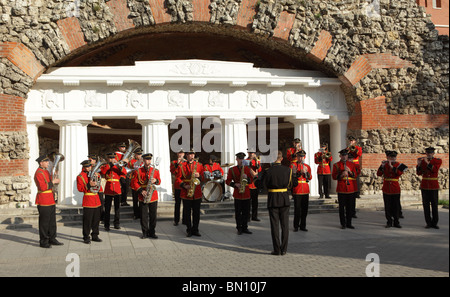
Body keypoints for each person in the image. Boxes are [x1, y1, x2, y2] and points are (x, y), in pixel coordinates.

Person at [258, 151, 297, 255]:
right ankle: (284, 249)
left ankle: (277, 249)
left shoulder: (268, 171)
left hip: (273, 199)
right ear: (281, 159)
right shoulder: (288, 170)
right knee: (285, 226)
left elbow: (261, 185)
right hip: (284, 198)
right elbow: (294, 183)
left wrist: (255, 177)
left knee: (274, 226)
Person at [34, 155, 63, 248]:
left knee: (52, 222)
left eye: (48, 161)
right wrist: (53, 182)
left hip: (50, 199)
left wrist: (54, 176)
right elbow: (43, 187)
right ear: (41, 163)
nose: (48, 163)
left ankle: (52, 238)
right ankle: (43, 241)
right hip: (43, 200)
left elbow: (50, 182)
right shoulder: (38, 173)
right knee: (44, 223)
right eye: (46, 162)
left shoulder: (46, 171)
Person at [175, 149, 205, 237]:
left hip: (197, 191)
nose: (191, 156)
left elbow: (203, 177)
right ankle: (189, 229)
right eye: (189, 154)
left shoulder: (199, 165)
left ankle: (195, 229)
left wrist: (199, 176)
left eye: (193, 154)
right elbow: (177, 179)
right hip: (186, 191)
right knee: (187, 213)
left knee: (196, 213)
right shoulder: (181, 165)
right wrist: (184, 185)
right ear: (186, 156)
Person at [131, 153, 161, 239]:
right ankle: (144, 232)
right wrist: (141, 190)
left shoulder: (155, 170)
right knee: (143, 216)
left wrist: (155, 180)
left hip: (153, 195)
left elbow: (159, 182)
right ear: (143, 160)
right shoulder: (138, 171)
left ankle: (152, 232)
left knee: (153, 215)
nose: (148, 161)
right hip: (142, 195)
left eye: (149, 160)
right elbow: (134, 183)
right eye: (146, 160)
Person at [376, 151, 407, 228]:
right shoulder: (384, 165)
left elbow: (399, 173)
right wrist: (382, 166)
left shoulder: (399, 165)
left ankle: (396, 222)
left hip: (395, 188)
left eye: (394, 157)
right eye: (391, 157)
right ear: (387, 157)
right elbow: (378, 174)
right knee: (387, 206)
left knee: (396, 206)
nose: (392, 158)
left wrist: (391, 167)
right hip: (386, 188)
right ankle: (389, 222)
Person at [226, 152, 254, 235]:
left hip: (246, 193)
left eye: (242, 159)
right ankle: (239, 228)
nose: (241, 160)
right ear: (236, 159)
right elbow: (227, 181)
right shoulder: (232, 169)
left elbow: (252, 180)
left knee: (246, 212)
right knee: (238, 212)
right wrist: (235, 184)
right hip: (237, 194)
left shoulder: (247, 169)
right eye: (240, 159)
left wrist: (247, 178)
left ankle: (245, 227)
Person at [100, 152, 128, 231]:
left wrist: (119, 166)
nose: (112, 159)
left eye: (113, 158)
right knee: (107, 208)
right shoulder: (106, 166)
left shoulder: (117, 166)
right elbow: (103, 172)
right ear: (108, 159)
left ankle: (116, 223)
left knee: (117, 208)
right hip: (108, 188)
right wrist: (110, 165)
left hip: (116, 188)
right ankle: (106, 224)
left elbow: (124, 172)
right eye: (110, 158)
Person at [77, 160, 102, 244]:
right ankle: (86, 236)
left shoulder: (96, 174)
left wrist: (97, 177)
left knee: (96, 220)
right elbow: (80, 188)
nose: (89, 168)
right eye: (87, 167)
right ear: (83, 167)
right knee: (87, 220)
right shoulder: (80, 176)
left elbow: (98, 184)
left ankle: (95, 235)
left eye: (90, 166)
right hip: (88, 200)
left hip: (96, 199)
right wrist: (89, 185)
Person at [416, 147, 442, 229]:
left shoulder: (437, 161)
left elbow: (435, 170)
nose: (429, 154)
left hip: (433, 185)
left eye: (430, 153)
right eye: (427, 153)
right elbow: (419, 173)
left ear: (433, 153)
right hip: (424, 185)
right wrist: (419, 165)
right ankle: (428, 222)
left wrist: (427, 162)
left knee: (434, 205)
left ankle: (435, 223)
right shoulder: (423, 161)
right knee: (426, 205)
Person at [332, 149, 358, 229]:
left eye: (345, 155)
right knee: (341, 207)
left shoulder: (352, 164)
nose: (344, 157)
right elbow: (334, 176)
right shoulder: (336, 165)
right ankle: (343, 223)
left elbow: (355, 175)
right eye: (342, 155)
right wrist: (342, 174)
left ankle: (349, 223)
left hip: (350, 189)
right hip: (341, 188)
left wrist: (349, 172)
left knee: (350, 207)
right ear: (340, 156)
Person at [290, 150, 312, 232]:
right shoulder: (293, 165)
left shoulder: (307, 166)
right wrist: (299, 172)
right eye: (299, 156)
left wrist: (307, 172)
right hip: (297, 189)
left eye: (302, 156)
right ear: (297, 157)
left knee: (305, 209)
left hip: (305, 190)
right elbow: (292, 176)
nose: (301, 158)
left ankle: (303, 225)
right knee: (297, 209)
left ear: (304, 157)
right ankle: (296, 226)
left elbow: (310, 178)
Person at [170, 149, 186, 226]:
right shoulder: (174, 162)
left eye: (182, 153)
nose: (180, 154)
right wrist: (179, 163)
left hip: (185, 186)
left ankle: (185, 219)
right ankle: (176, 220)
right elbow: (173, 172)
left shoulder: (186, 162)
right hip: (178, 186)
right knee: (177, 204)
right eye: (179, 153)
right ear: (177, 154)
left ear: (184, 154)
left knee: (186, 204)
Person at [88, 154, 105, 222]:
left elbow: (103, 172)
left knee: (101, 203)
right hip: (91, 187)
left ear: (94, 160)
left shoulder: (99, 166)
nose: (89, 160)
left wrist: (98, 174)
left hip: (98, 188)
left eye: (91, 159)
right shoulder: (88, 167)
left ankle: (101, 217)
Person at [246, 148, 261, 221]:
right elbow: (246, 170)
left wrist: (256, 161)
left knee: (255, 202)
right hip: (248, 184)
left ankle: (254, 216)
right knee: (248, 202)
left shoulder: (257, 161)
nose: (252, 154)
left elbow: (259, 169)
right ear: (248, 153)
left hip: (255, 184)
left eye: (253, 153)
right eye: (250, 153)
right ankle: (248, 216)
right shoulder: (246, 161)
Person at [128, 148, 143, 219]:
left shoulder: (143, 161)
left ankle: (141, 213)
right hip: (134, 182)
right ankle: (136, 214)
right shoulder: (132, 161)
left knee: (141, 199)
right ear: (135, 155)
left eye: (140, 154)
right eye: (138, 154)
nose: (139, 156)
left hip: (142, 183)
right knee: (135, 199)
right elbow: (129, 167)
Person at [115, 142, 130, 206]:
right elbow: (116, 162)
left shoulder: (126, 154)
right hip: (120, 173)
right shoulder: (116, 154)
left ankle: (124, 201)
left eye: (124, 147)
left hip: (126, 172)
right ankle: (121, 200)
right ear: (119, 148)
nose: (123, 148)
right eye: (122, 147)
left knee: (126, 187)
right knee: (122, 187)